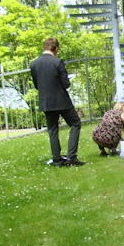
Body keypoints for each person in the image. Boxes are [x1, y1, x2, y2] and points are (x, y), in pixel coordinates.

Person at [30, 37, 84, 167]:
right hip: (62, 100)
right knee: (75, 123)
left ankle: (57, 159)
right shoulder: (57, 62)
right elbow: (66, 84)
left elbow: (37, 85)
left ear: (44, 47)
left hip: (46, 102)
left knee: (53, 130)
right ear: (56, 48)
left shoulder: (34, 64)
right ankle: (71, 157)